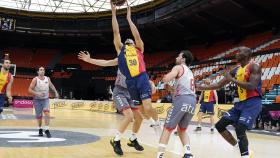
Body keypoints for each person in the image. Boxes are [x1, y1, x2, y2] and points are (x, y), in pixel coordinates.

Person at [196, 47, 262, 158]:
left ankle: (245, 155)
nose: (237, 53)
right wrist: (200, 87)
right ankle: (239, 146)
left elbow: (252, 86)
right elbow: (218, 85)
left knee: (240, 128)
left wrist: (232, 80)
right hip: (240, 103)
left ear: (247, 55)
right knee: (220, 125)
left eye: (240, 51)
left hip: (253, 102)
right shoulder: (235, 69)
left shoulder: (254, 66)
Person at [78, 52, 145, 156]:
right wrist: (89, 60)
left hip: (131, 92)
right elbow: (105, 62)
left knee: (139, 118)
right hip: (119, 91)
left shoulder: (138, 63)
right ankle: (116, 140)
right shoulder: (121, 59)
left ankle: (132, 139)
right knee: (129, 116)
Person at [111, 3, 159, 127]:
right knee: (137, 112)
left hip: (139, 81)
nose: (128, 41)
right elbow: (116, 32)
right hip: (128, 85)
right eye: (126, 42)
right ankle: (149, 124)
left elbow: (136, 35)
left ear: (134, 44)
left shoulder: (139, 49)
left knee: (146, 110)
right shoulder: (121, 51)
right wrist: (113, 13)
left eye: (130, 41)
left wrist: (128, 18)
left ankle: (156, 123)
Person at [157, 50, 196, 158]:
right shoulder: (190, 72)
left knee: (167, 128)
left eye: (178, 56)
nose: (176, 58)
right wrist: (172, 88)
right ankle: (188, 153)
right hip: (193, 101)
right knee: (182, 129)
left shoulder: (178, 67)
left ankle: (160, 155)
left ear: (183, 59)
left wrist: (165, 78)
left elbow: (167, 78)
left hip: (182, 99)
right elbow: (177, 88)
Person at [28, 67, 59, 138]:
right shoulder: (35, 79)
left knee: (47, 112)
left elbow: (51, 85)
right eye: (40, 70)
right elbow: (29, 90)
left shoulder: (47, 79)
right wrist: (37, 93)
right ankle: (40, 129)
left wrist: (56, 92)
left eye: (43, 70)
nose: (42, 71)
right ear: (38, 72)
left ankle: (47, 129)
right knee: (39, 116)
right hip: (37, 100)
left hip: (45, 99)